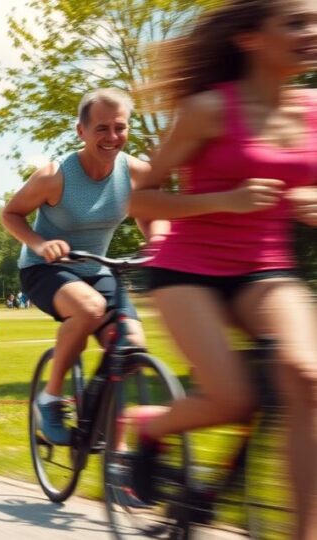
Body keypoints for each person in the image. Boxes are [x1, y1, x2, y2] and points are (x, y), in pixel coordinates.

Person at [123, 1, 317, 531]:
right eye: (297, 23)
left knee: (307, 377)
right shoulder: (209, 109)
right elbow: (141, 201)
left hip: (266, 270)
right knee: (234, 399)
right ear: (251, 39)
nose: (312, 33)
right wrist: (224, 201)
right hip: (188, 271)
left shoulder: (315, 110)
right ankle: (150, 426)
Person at [0, 87, 161, 445]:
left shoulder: (135, 172)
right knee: (89, 310)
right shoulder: (55, 176)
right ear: (81, 131)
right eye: (101, 128)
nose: (112, 137)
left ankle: (110, 447)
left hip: (96, 269)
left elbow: (153, 213)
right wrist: (41, 244)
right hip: (45, 269)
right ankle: (51, 398)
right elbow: (10, 214)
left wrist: (158, 239)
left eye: (120, 127)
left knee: (131, 348)